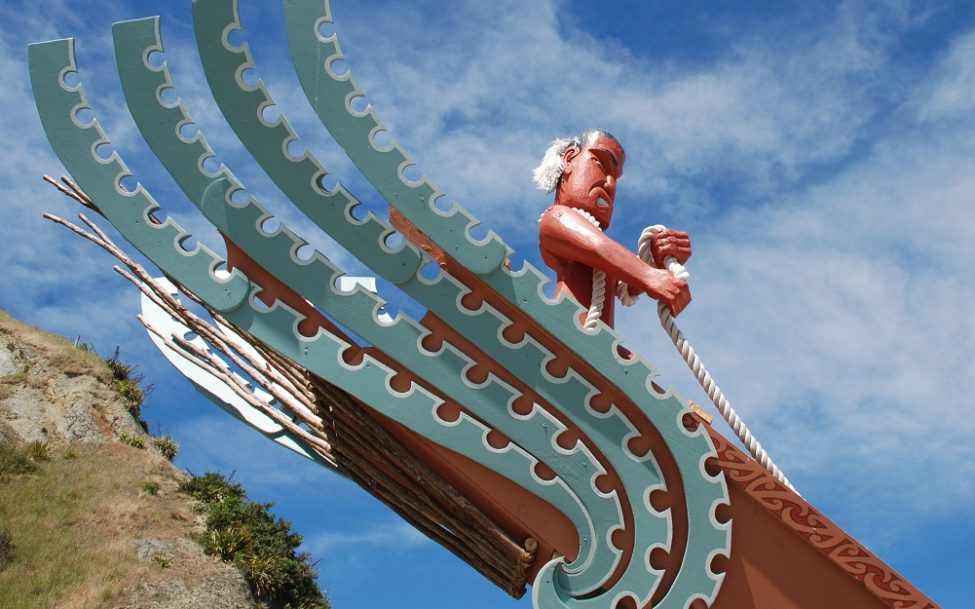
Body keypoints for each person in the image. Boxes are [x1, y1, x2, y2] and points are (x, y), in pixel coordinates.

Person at [535, 130, 691, 329]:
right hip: (566, 331)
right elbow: (597, 247)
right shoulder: (556, 217)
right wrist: (650, 275)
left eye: (615, 178)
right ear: (569, 158)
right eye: (600, 164)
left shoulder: (606, 260)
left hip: (597, 344)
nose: (610, 185)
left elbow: (627, 287)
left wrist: (659, 259)